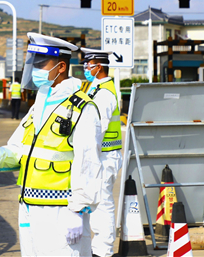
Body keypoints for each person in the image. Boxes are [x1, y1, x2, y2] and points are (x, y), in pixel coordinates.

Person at [0, 33, 105, 256]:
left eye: (40, 63)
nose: (35, 69)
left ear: (61, 66)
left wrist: (78, 210)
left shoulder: (82, 108)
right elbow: (19, 149)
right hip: (28, 205)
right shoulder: (39, 104)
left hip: (61, 210)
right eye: (33, 63)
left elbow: (88, 163)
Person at [80, 48, 123, 257]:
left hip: (105, 156)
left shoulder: (105, 93)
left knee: (103, 204)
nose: (85, 69)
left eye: (88, 65)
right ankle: (95, 248)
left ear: (99, 66)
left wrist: (89, 156)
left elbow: (99, 128)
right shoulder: (94, 88)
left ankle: (104, 251)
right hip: (99, 155)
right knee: (93, 203)